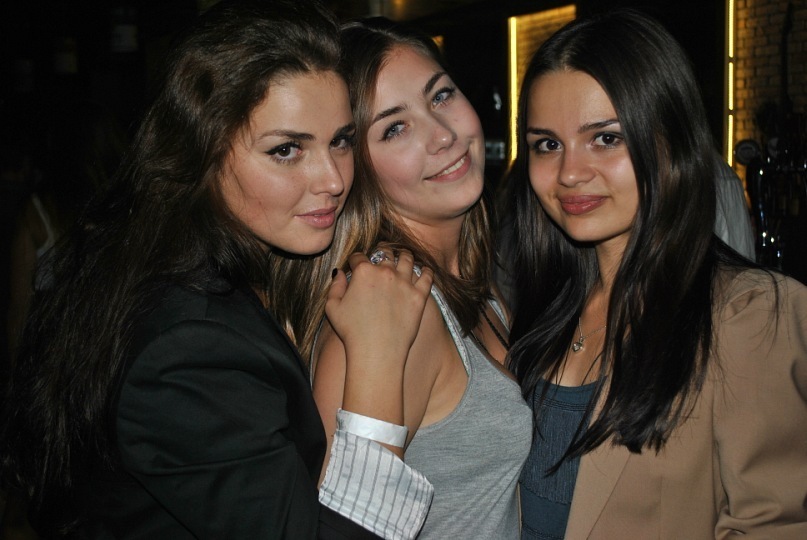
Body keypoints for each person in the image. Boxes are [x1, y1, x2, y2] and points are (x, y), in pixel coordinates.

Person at [0, 1, 434, 538]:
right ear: (200, 153)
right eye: (286, 150)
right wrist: (377, 359)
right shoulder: (187, 346)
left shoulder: (167, 262)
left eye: (340, 140)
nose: (333, 179)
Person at [505, 10, 807, 540]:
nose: (570, 172)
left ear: (671, 141)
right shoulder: (543, 306)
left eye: (606, 138)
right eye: (547, 144)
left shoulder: (752, 316)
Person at [304, 18, 532, 539]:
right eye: (395, 128)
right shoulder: (391, 308)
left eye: (441, 95)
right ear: (356, 167)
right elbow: (338, 526)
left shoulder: (467, 277)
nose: (444, 135)